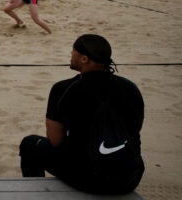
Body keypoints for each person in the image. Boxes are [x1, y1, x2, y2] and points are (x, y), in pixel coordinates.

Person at [19, 34, 144, 194]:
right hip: (130, 176)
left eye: (73, 51)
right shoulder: (130, 88)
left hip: (90, 178)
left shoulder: (63, 89)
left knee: (30, 145)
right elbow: (134, 128)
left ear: (84, 59)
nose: (71, 54)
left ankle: (35, 195)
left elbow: (56, 141)